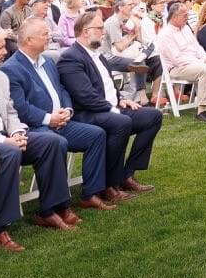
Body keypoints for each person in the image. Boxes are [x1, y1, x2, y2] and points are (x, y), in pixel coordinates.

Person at [0, 28, 84, 250]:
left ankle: (51, 209)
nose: (6, 51)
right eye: (0, 48)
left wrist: (17, 133)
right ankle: (0, 229)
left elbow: (10, 113)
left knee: (53, 142)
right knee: (10, 152)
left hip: (6, 137)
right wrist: (5, 141)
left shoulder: (1, 76)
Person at [4, 18, 115, 210]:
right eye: (44, 34)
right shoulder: (12, 68)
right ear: (29, 40)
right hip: (36, 127)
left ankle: (91, 193)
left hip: (62, 121)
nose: (50, 37)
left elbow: (62, 89)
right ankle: (55, 207)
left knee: (97, 134)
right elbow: (21, 108)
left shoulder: (47, 61)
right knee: (57, 143)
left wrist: (67, 110)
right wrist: (49, 118)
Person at [54, 13, 161, 194]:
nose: (103, 32)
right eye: (100, 28)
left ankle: (127, 174)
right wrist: (114, 109)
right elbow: (85, 96)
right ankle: (108, 183)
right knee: (121, 122)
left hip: (109, 108)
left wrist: (121, 99)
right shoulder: (71, 57)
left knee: (153, 116)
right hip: (87, 114)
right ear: (86, 32)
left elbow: (108, 85)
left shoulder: (99, 55)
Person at [150, 2, 206, 115]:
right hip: (177, 69)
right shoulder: (165, 34)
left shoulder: (185, 29)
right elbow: (177, 59)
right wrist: (204, 61)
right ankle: (202, 109)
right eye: (185, 15)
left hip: (196, 64)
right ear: (175, 16)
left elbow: (198, 49)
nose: (188, 17)